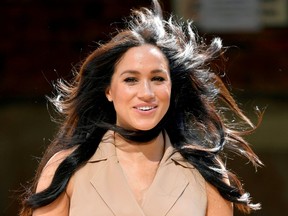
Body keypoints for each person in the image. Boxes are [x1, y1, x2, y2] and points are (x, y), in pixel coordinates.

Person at [20, 0, 263, 215]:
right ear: (108, 91)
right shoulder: (66, 168)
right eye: (130, 79)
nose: (146, 94)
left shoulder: (207, 172)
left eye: (158, 79)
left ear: (171, 88)